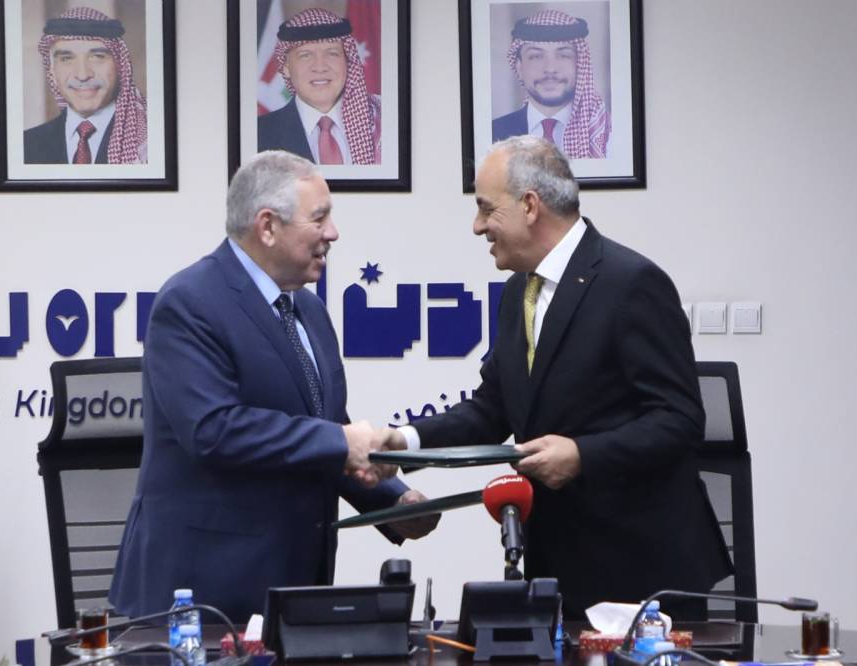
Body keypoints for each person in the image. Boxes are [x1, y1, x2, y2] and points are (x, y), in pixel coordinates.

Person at [384, 137, 732, 619]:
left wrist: (582, 455)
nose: (477, 226)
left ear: (530, 206)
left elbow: (680, 419)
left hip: (642, 573)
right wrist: (402, 442)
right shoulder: (516, 294)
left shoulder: (631, 283)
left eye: (486, 208)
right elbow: (491, 409)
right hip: (560, 566)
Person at [109, 151, 435, 621]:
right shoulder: (189, 303)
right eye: (319, 218)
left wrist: (394, 502)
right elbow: (214, 429)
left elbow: (323, 431)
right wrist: (342, 441)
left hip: (294, 589)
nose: (333, 233)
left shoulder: (311, 311)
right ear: (267, 226)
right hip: (203, 598)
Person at [24, 6, 148, 165]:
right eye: (66, 59)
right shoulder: (26, 145)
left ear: (120, 66)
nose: (82, 75)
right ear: (52, 72)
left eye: (97, 56)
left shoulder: (149, 142)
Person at [257, 8, 381, 165]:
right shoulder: (259, 134)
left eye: (332, 53)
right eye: (305, 55)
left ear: (348, 61)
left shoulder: (382, 122)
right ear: (286, 67)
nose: (320, 67)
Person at [492, 9, 610, 159]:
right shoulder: (493, 133)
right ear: (519, 68)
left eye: (563, 55)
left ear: (580, 65)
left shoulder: (606, 134)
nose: (550, 68)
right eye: (536, 56)